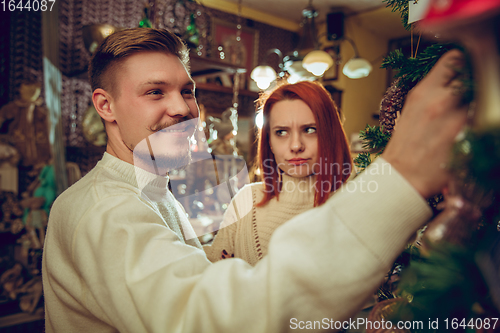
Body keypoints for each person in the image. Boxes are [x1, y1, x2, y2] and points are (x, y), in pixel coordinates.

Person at [42, 27, 468, 333]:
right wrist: (404, 177)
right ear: (106, 105)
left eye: (187, 91)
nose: (182, 109)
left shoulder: (152, 192)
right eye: (155, 92)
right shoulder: (106, 210)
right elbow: (217, 318)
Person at [204, 81, 352, 265]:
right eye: (281, 132)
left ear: (330, 134)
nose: (296, 145)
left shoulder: (351, 204)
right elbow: (213, 275)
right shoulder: (246, 201)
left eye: (310, 130)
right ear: (270, 142)